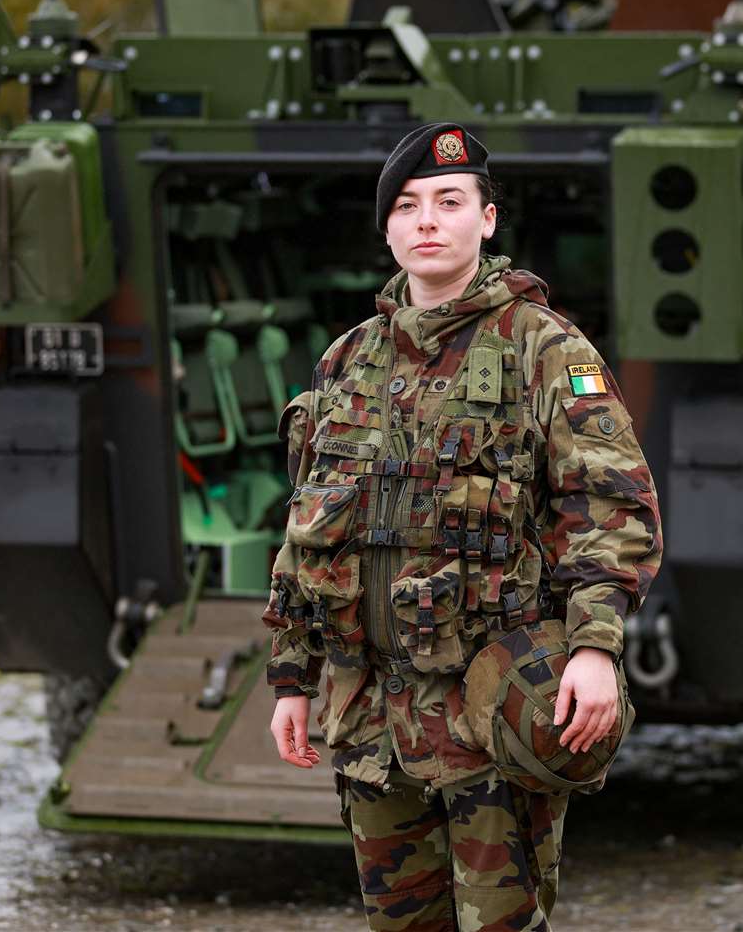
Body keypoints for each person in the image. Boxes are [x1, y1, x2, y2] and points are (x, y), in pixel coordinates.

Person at [263, 122, 662, 932]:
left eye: (450, 201)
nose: (426, 221)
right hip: (372, 717)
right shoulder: (349, 362)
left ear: (487, 220)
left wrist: (594, 647)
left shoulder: (543, 349)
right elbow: (309, 528)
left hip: (488, 711)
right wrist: (289, 675)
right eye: (407, 206)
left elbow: (610, 504)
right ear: (387, 229)